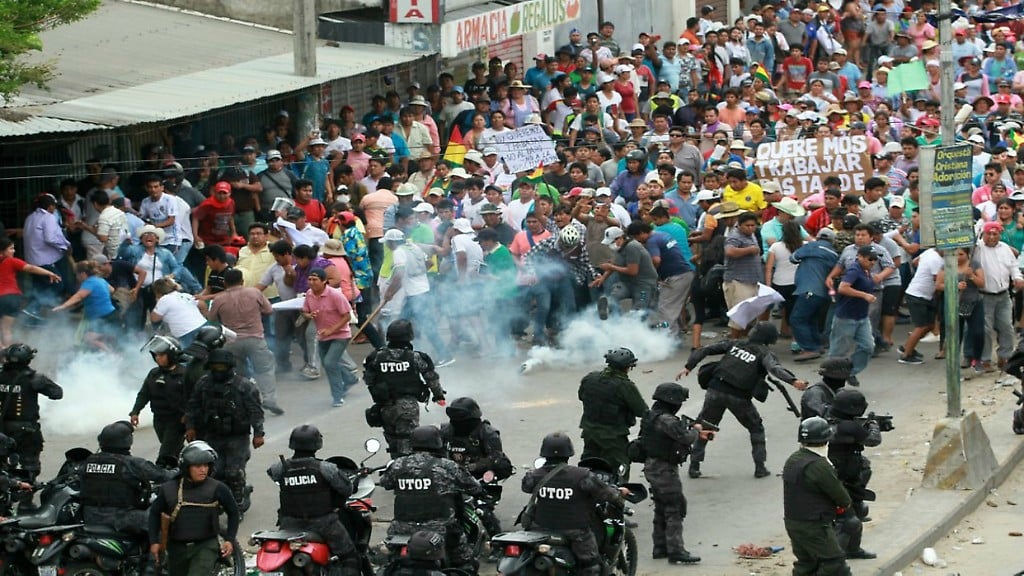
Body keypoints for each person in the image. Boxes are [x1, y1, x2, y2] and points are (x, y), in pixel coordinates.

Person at [679, 322, 808, 479]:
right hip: (738, 396)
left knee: (705, 427)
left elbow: (705, 349)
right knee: (756, 428)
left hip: (715, 390)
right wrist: (794, 381)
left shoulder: (736, 343)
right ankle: (760, 467)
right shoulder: (764, 353)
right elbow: (774, 369)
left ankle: (694, 466)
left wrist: (688, 366)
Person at [379, 425, 484, 574]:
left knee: (389, 564)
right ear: (437, 442)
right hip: (439, 530)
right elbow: (473, 487)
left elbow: (385, 483)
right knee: (465, 563)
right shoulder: (446, 466)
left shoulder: (399, 464)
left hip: (400, 529)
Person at [521, 433, 628, 576]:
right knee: (591, 566)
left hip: (540, 529)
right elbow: (607, 494)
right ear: (569, 453)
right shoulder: (582, 476)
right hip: (575, 532)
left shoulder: (534, 475)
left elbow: (526, 487)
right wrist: (620, 494)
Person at [267, 425, 361, 576]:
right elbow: (346, 489)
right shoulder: (325, 468)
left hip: (289, 524)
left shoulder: (279, 468)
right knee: (349, 555)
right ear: (317, 443)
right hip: (324, 523)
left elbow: (273, 476)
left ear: (292, 444)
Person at [639, 383, 712, 565]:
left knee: (661, 507)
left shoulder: (651, 415)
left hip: (653, 466)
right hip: (663, 468)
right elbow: (685, 438)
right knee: (675, 507)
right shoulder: (667, 420)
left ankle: (660, 546)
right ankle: (676, 550)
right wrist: (695, 430)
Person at [184, 349, 265, 513]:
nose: (218, 370)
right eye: (215, 366)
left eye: (222, 366)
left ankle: (237, 505)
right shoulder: (204, 384)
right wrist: (190, 427)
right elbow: (193, 406)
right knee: (213, 472)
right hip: (212, 435)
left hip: (237, 437)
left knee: (234, 473)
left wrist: (258, 433)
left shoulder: (244, 386)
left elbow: (255, 411)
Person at [148, 441, 240, 576]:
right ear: (186, 468)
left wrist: (229, 539)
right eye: (197, 466)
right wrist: (154, 542)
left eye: (205, 465)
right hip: (176, 548)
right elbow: (155, 514)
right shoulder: (169, 489)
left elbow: (233, 512)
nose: (203, 469)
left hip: (205, 546)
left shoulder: (218, 488)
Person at [205, 268, 284, 416]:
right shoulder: (254, 293)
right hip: (255, 338)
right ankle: (269, 399)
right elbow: (268, 310)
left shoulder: (219, 299)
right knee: (264, 370)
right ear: (242, 281)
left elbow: (212, 319)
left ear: (224, 282)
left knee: (238, 375)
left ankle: (244, 403)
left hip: (231, 342)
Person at [364, 320, 446, 457]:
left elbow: (369, 380)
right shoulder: (416, 357)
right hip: (408, 408)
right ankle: (405, 470)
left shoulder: (377, 357)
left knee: (393, 444)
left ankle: (396, 468)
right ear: (409, 336)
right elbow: (431, 378)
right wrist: (438, 396)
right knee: (408, 443)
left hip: (385, 407)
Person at [783, 417, 852, 576]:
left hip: (793, 522)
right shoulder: (819, 465)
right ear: (826, 440)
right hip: (814, 525)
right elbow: (843, 499)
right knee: (834, 563)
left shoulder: (794, 459)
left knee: (806, 564)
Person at [81, 421, 173, 537]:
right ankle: (156, 555)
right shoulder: (131, 463)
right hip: (120, 518)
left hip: (89, 516)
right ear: (128, 440)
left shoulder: (88, 462)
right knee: (161, 520)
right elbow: (164, 476)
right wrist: (182, 469)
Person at [826, 389, 881, 560]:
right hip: (842, 477)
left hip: (839, 474)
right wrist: (873, 424)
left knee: (856, 512)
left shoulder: (827, 420)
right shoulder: (849, 426)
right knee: (847, 519)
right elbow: (873, 440)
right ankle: (834, 558)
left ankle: (853, 549)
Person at [578, 348, 648, 477]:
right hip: (613, 436)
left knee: (588, 465)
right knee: (620, 466)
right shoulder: (625, 385)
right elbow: (642, 411)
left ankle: (585, 492)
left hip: (589, 432)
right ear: (627, 367)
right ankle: (618, 494)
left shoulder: (590, 378)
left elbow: (581, 396)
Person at [0, 344, 63, 483]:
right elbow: (57, 393)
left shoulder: (1, 376)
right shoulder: (35, 378)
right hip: (26, 431)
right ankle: (25, 502)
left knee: (3, 465)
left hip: (3, 429)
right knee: (30, 465)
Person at [302, 268, 360, 407]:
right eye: (309, 279)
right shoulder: (309, 294)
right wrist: (309, 316)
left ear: (324, 281)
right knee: (329, 362)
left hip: (340, 335)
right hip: (323, 336)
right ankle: (350, 378)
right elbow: (305, 311)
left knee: (329, 363)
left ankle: (337, 396)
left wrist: (331, 330)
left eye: (315, 280)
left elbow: (347, 315)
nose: (311, 282)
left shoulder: (335, 295)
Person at [131, 335, 188, 465]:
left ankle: (160, 472)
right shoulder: (154, 373)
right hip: (159, 418)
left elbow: (193, 398)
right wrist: (135, 411)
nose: (158, 358)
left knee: (166, 452)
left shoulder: (184, 374)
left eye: (162, 355)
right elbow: (144, 394)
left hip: (177, 420)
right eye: (156, 355)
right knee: (174, 448)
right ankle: (187, 463)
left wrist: (189, 416)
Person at [0, 237, 62, 347]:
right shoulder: (11, 261)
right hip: (13, 298)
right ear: (2, 251)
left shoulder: (10, 260)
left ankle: (2, 354)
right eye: (11, 249)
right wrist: (49, 273)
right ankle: (6, 357)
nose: (13, 251)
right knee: (6, 329)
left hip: (2, 298)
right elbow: (31, 268)